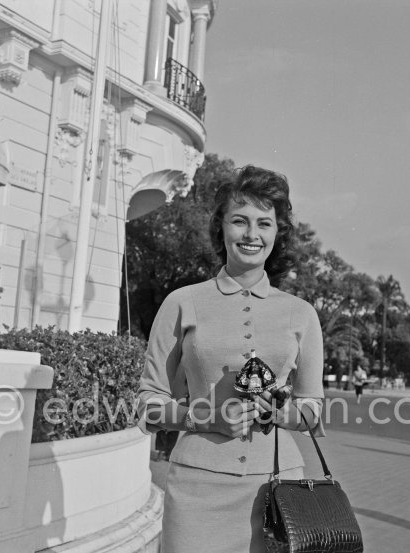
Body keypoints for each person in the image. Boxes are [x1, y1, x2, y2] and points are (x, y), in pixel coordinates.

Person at [136, 165, 325, 553]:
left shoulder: (302, 313)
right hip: (196, 489)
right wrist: (203, 418)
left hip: (279, 491)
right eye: (240, 221)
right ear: (221, 228)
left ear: (278, 233)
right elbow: (147, 404)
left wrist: (277, 414)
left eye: (264, 223)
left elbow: (312, 409)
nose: (252, 234)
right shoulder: (182, 302)